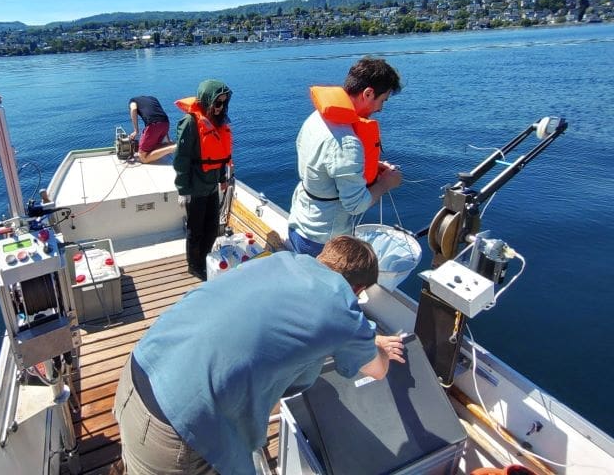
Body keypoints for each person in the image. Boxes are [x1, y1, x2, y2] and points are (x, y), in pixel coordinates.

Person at [113, 235, 406, 475]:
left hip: (138, 373)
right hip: (178, 429)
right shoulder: (341, 306)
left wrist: (364, 336)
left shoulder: (280, 261)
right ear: (358, 290)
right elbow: (377, 369)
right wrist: (378, 347)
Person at [288, 56, 404, 257]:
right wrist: (387, 183)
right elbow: (356, 205)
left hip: (299, 224)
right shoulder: (348, 142)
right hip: (322, 242)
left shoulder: (317, 117)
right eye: (382, 100)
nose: (381, 109)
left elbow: (326, 163)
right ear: (368, 93)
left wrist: (368, 165)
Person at [173, 79, 232, 279]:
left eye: (224, 103)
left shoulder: (218, 121)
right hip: (195, 188)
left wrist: (223, 177)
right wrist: (183, 190)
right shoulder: (189, 123)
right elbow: (181, 159)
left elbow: (221, 153)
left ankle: (206, 259)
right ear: (207, 101)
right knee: (195, 230)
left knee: (212, 227)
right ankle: (194, 265)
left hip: (212, 186)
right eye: (217, 103)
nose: (220, 108)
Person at [128, 95, 176, 163]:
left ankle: (173, 148)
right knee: (153, 147)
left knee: (142, 157)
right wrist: (168, 140)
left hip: (153, 125)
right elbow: (160, 115)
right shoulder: (153, 99)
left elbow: (133, 109)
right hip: (166, 123)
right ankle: (171, 145)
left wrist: (136, 130)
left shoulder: (132, 100)